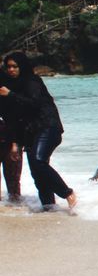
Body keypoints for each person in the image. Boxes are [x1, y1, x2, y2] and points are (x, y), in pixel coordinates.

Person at [0, 51, 75, 211]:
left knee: (38, 162)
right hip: (31, 132)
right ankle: (49, 206)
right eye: (8, 67)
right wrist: (15, 142)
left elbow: (34, 104)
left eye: (15, 66)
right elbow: (13, 119)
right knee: (37, 171)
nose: (11, 70)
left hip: (48, 127)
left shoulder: (31, 81)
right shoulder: (11, 87)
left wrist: (10, 95)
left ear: (22, 66)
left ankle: (67, 193)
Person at [0, 57, 23, 201]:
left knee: (13, 183)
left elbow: (18, 116)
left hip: (11, 137)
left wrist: (16, 143)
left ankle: (16, 211)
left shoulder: (11, 85)